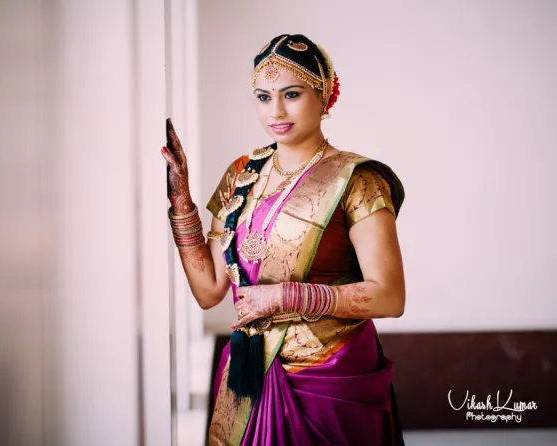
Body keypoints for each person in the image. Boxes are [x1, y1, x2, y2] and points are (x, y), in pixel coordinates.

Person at [162, 33, 406, 446]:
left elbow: (390, 297)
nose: (275, 110)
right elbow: (208, 290)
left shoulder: (358, 181)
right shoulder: (242, 175)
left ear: (324, 95)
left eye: (291, 94)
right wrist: (180, 198)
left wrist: (285, 297)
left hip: (329, 376)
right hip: (250, 374)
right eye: (263, 97)